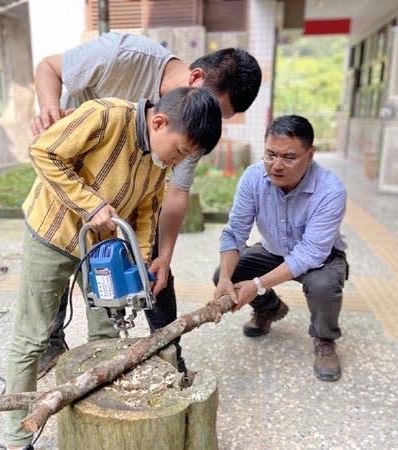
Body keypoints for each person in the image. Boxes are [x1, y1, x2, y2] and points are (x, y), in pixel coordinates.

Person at [32, 31, 262, 379]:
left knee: (151, 268)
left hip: (136, 193)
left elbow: (175, 195)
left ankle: (167, 352)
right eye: (213, 106)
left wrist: (163, 257)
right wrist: (49, 110)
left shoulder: (191, 132)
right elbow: (49, 67)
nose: (209, 119)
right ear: (195, 79)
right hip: (77, 177)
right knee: (61, 254)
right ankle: (50, 339)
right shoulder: (124, 55)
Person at [5, 86, 222, 450]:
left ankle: (98, 422)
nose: (177, 161)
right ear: (159, 122)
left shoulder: (157, 161)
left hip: (103, 248)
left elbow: (147, 210)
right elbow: (43, 151)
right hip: (53, 235)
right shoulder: (104, 116)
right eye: (181, 151)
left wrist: (140, 261)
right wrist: (89, 205)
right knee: (32, 336)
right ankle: (17, 437)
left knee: (106, 335)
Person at [212, 115, 349, 382]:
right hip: (273, 250)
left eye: (288, 157)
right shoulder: (253, 177)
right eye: (270, 154)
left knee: (323, 286)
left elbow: (310, 253)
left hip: (321, 257)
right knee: (223, 274)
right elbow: (235, 231)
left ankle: (324, 339)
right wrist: (228, 279)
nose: (276, 165)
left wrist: (258, 285)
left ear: (310, 155)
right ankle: (269, 308)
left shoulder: (331, 190)